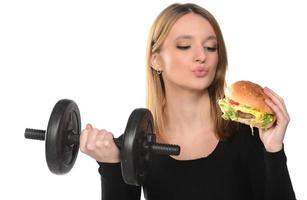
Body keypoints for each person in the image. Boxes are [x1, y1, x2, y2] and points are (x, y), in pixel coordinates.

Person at [79, 3, 296, 200]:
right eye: (184, 45)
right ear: (156, 60)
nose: (202, 55)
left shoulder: (247, 133)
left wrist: (274, 150)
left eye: (211, 47)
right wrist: (111, 165)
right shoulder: (136, 144)